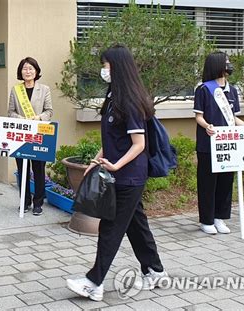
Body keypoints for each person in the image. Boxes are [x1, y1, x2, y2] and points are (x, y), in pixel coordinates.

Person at [66, 45, 167, 301]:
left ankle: (94, 282)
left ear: (118, 67)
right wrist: (98, 158)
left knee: (110, 228)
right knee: (136, 224)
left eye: (107, 65)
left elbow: (139, 145)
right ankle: (155, 271)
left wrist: (116, 165)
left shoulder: (131, 102)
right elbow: (112, 137)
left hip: (129, 176)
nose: (104, 70)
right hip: (119, 172)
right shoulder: (114, 97)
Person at [193, 51, 244, 235]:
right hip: (208, 145)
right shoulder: (203, 89)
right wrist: (207, 126)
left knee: (226, 183)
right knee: (208, 183)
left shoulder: (232, 90)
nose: (229, 65)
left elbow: (234, 118)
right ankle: (206, 220)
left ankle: (219, 218)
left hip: (229, 145)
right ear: (216, 65)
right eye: (226, 62)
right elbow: (198, 117)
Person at [7, 57, 53, 216]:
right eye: (25, 68)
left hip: (38, 134)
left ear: (36, 71)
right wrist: (21, 119)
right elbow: (11, 112)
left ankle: (38, 202)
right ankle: (24, 201)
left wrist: (38, 118)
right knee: (22, 169)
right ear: (21, 71)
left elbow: (49, 111)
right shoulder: (15, 90)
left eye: (31, 68)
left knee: (39, 168)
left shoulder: (45, 89)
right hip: (20, 135)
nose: (28, 71)